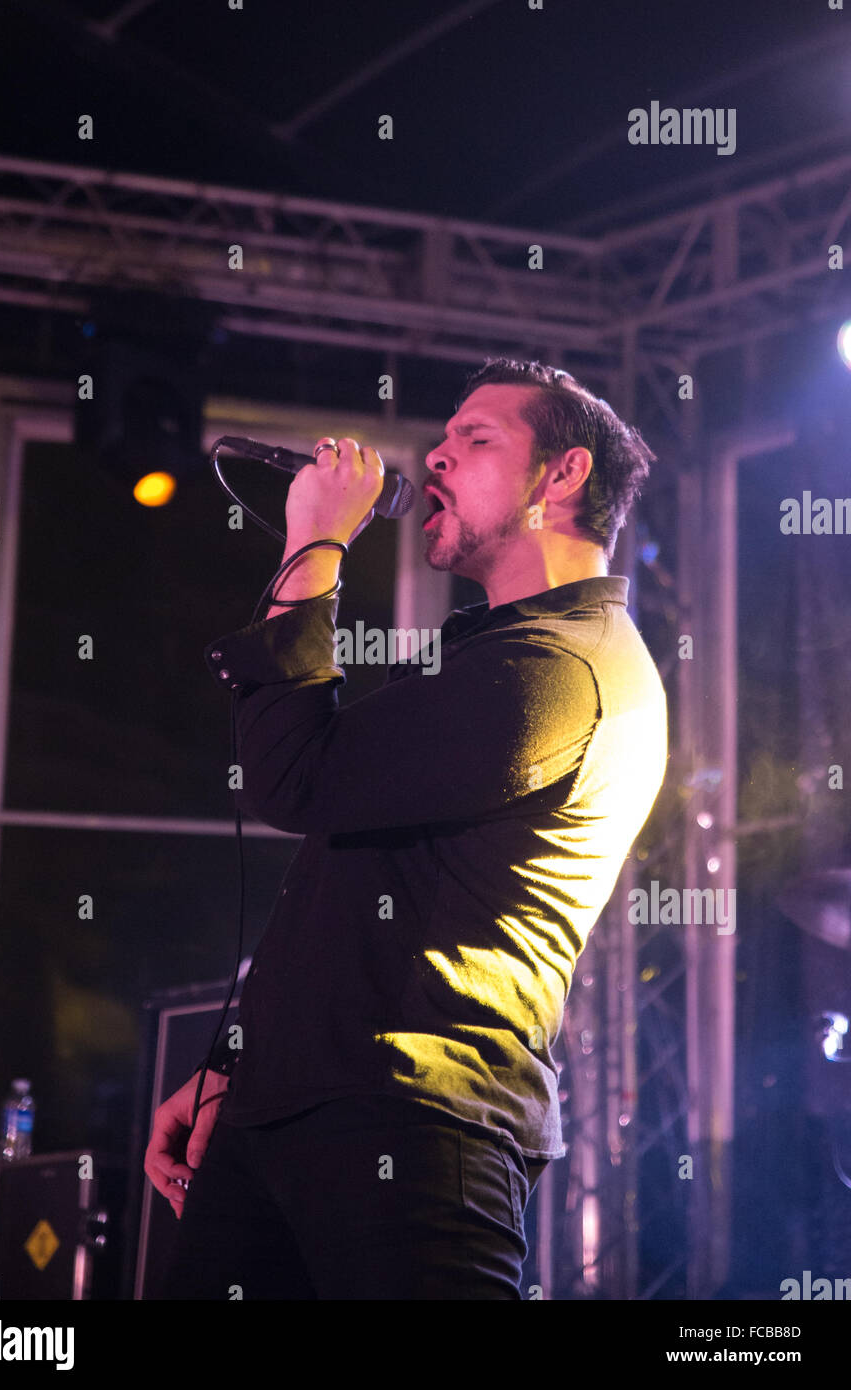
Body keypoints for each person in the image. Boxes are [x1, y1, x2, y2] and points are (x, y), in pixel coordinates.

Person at [144, 358, 668, 1300]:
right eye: (442, 436)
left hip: (417, 1125)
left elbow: (296, 778)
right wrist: (240, 1063)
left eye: (476, 439)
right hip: (302, 1110)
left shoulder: (560, 669)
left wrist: (316, 542)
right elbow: (348, 883)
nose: (434, 457)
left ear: (563, 476)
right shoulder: (503, 655)